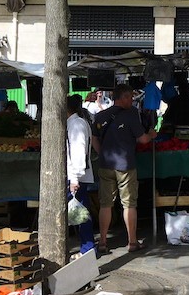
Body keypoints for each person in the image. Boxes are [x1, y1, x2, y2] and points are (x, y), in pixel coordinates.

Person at [93, 84, 157, 255]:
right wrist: (152, 134)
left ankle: (103, 242)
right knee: (129, 204)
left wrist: (103, 153)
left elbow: (93, 138)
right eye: (129, 97)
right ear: (122, 98)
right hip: (125, 166)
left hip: (105, 165)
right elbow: (143, 139)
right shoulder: (131, 115)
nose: (131, 100)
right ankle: (132, 242)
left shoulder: (100, 116)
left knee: (105, 204)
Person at [66, 94, 96, 254]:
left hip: (76, 177)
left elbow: (78, 151)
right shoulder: (75, 123)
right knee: (79, 213)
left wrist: (75, 178)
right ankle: (87, 248)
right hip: (76, 176)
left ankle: (88, 248)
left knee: (81, 214)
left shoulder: (76, 125)